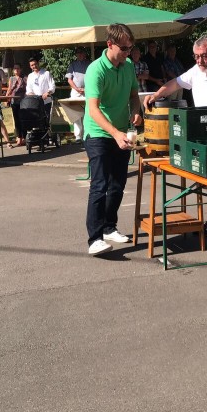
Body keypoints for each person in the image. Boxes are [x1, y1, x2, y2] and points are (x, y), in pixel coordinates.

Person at [144, 33, 207, 246]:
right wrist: (157, 95)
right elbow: (175, 83)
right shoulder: (197, 70)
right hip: (203, 136)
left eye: (203, 56)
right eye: (196, 56)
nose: (199, 61)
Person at [83, 23, 142, 256]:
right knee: (100, 184)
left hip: (121, 132)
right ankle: (95, 239)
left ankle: (109, 227)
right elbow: (93, 109)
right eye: (124, 48)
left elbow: (134, 95)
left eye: (131, 48)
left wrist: (136, 111)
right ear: (110, 44)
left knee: (118, 184)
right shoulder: (95, 70)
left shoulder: (128, 66)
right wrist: (115, 133)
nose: (128, 53)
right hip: (98, 133)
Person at [65, 47, 90, 142]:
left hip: (88, 90)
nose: (79, 55)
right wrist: (76, 88)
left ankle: (87, 134)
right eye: (78, 53)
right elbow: (69, 79)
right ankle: (78, 136)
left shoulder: (89, 64)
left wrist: (86, 89)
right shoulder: (72, 65)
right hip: (76, 91)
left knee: (88, 112)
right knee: (76, 114)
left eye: (81, 53)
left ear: (84, 54)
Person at [6, 64, 27, 146]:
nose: (16, 70)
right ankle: (19, 137)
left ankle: (24, 136)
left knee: (23, 119)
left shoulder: (24, 78)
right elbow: (9, 89)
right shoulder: (11, 78)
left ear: (20, 69)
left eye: (18, 68)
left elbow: (28, 89)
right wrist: (7, 98)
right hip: (14, 102)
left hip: (23, 101)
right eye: (15, 68)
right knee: (16, 120)